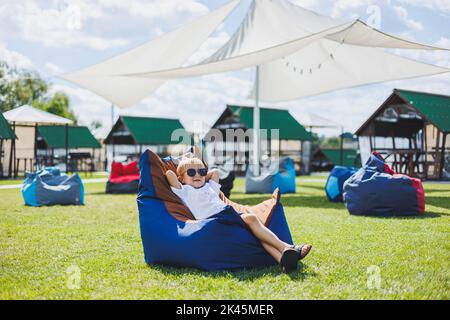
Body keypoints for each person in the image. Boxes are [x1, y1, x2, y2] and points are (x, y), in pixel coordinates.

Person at [165, 154, 312, 273]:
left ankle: (283, 259)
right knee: (251, 220)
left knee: (254, 228)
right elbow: (169, 173)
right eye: (191, 172)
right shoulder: (184, 191)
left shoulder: (209, 188)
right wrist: (183, 160)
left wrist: (197, 169)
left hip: (227, 214)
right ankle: (288, 247)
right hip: (213, 221)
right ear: (181, 179)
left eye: (201, 172)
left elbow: (215, 172)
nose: (197, 175)